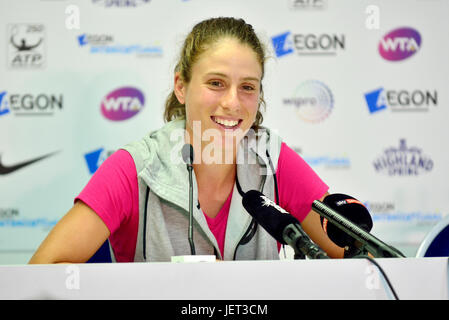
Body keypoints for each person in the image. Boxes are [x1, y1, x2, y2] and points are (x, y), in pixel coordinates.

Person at [29, 17, 344, 264]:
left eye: (248, 87)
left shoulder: (274, 159)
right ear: (181, 85)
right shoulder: (134, 168)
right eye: (216, 83)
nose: (233, 103)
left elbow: (355, 257)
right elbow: (45, 271)